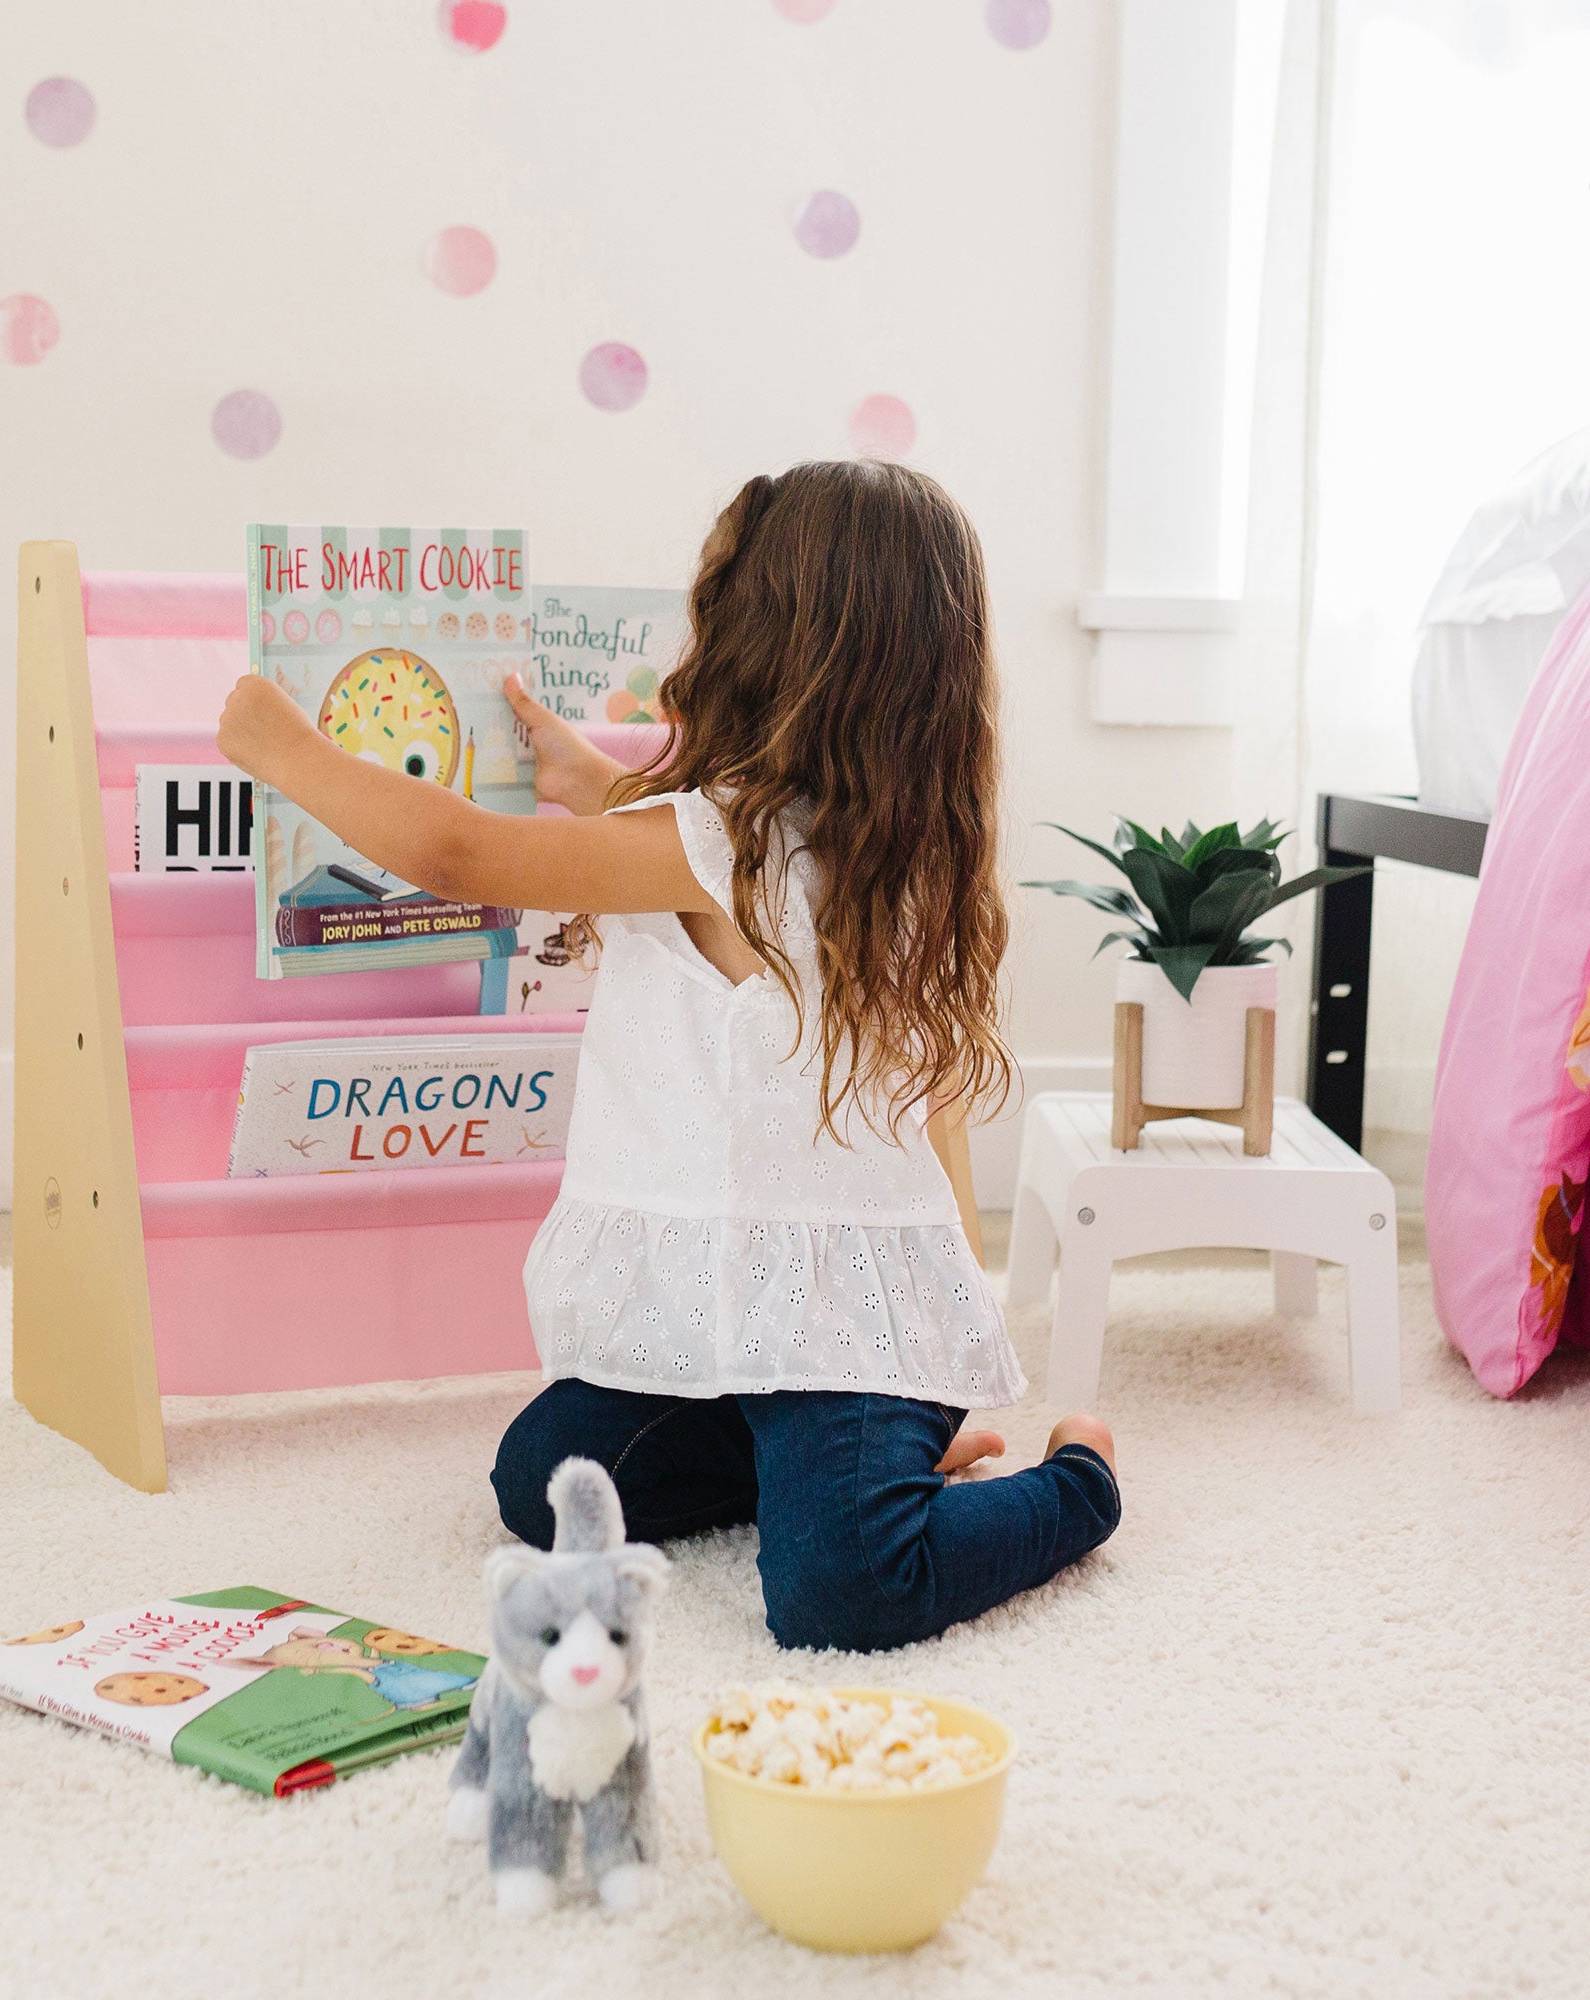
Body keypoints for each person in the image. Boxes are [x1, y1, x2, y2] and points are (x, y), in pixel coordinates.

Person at [217, 461, 1120, 1651]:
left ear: (768, 638)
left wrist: (285, 750)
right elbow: (697, 876)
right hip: (742, 1313)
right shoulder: (829, 845)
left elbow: (460, 850)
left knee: (842, 1592)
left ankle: (1076, 1481)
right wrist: (591, 781)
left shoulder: (733, 852)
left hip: (848, 1330)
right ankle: (869, 1450)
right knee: (545, 1483)